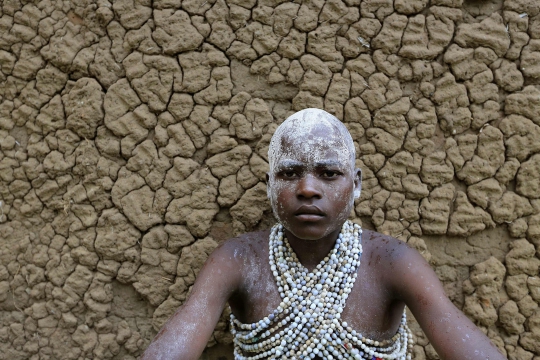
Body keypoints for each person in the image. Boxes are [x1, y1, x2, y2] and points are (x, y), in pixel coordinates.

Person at [141, 109, 505, 360]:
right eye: (289, 174)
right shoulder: (238, 260)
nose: (308, 189)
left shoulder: (391, 263)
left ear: (356, 184)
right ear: (269, 185)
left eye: (329, 174)